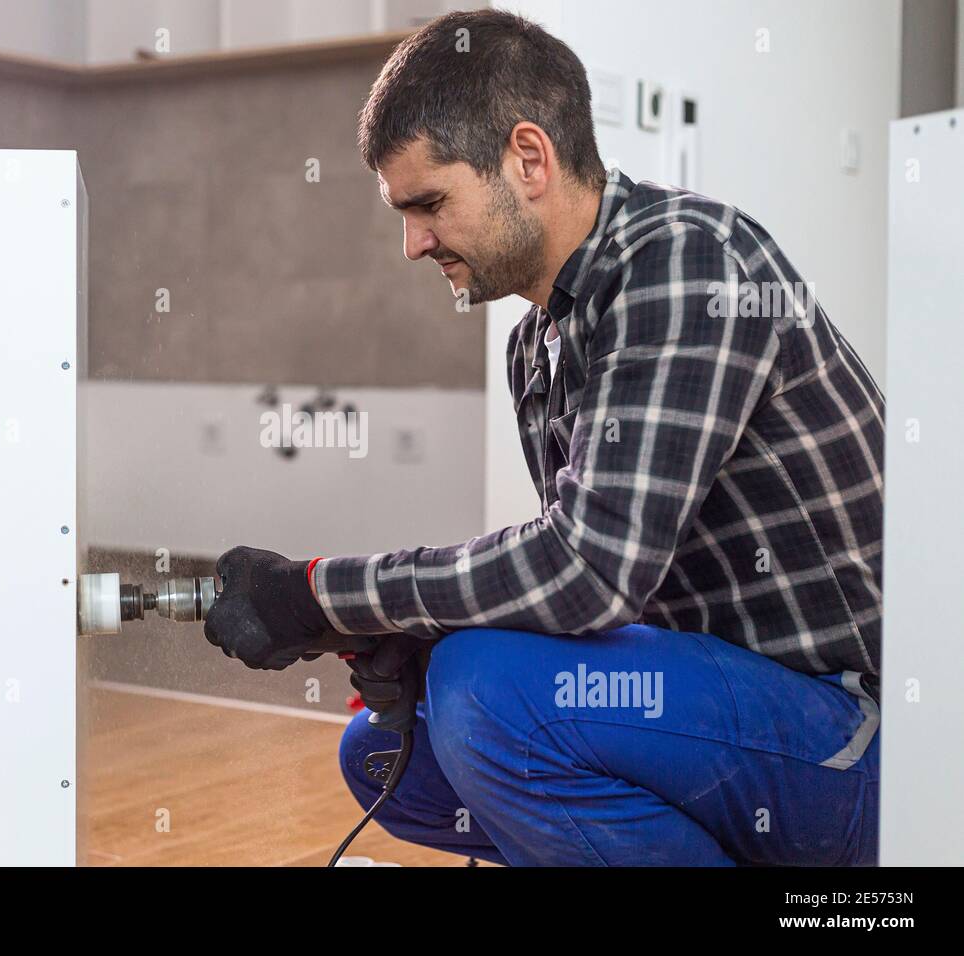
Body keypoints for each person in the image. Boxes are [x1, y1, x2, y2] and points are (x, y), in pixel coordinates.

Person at [203, 9, 882, 866]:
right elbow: (594, 598)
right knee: (389, 754)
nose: (412, 244)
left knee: (486, 695)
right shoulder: (538, 347)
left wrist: (318, 593)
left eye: (428, 204)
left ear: (529, 159)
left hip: (863, 742)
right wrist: (412, 637)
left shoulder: (690, 264)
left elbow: (585, 573)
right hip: (741, 720)